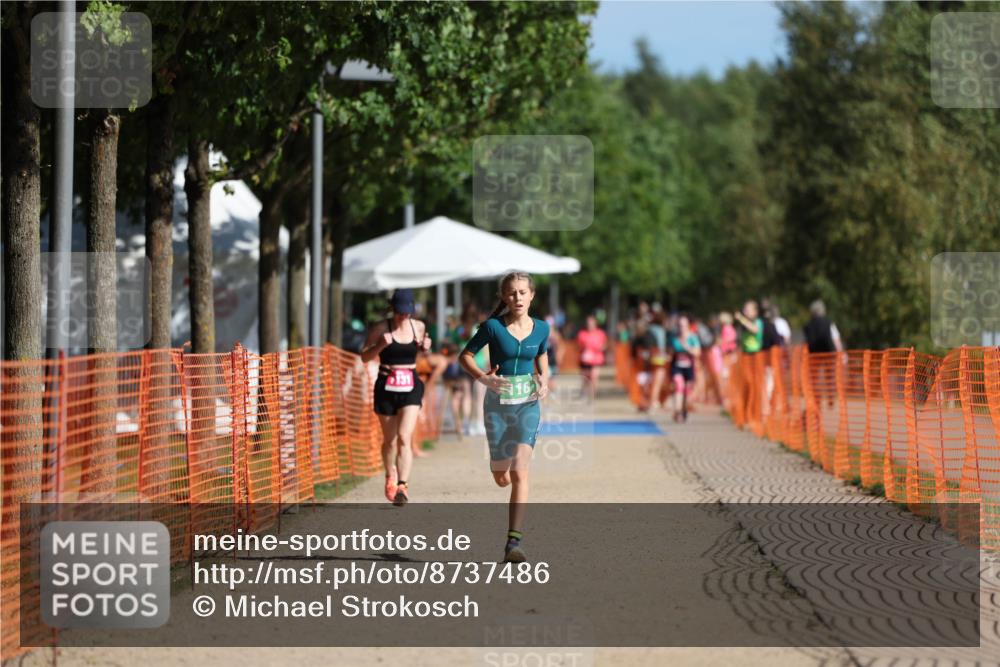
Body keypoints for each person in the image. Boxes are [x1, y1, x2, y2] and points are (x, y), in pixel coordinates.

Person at [459, 271, 550, 563]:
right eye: (512, 293)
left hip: (528, 405)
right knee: (502, 478)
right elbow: (465, 356)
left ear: (532, 295)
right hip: (497, 407)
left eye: (523, 292)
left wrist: (544, 378)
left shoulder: (542, 328)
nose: (517, 297)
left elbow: (542, 354)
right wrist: (484, 379)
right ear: (504, 296)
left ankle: (513, 542)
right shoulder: (493, 327)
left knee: (520, 471)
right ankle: (498, 466)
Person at [360, 289, 432, 506]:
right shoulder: (381, 328)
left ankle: (402, 485)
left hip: (410, 385)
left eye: (407, 312)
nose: (404, 316)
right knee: (390, 441)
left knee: (404, 436)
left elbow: (424, 351)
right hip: (386, 385)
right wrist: (380, 345)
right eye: (400, 313)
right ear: (393, 309)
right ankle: (390, 473)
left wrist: (426, 347)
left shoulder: (418, 327)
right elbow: (365, 356)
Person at [668, 315, 701, 422]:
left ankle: (683, 410)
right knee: (679, 385)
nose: (682, 328)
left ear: (688, 326)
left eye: (684, 325)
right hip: (676, 366)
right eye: (680, 325)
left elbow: (697, 353)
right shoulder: (674, 337)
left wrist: (687, 348)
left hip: (689, 367)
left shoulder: (693, 337)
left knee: (686, 391)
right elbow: (670, 352)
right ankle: (677, 411)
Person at [576, 315, 608, 403]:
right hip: (585, 359)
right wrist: (583, 350)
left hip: (596, 359)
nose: (590, 324)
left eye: (591, 323)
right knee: (585, 378)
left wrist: (602, 347)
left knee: (594, 377)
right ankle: (583, 392)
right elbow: (578, 346)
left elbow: (605, 344)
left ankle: (592, 396)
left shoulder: (601, 333)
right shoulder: (582, 334)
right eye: (588, 323)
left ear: (595, 323)